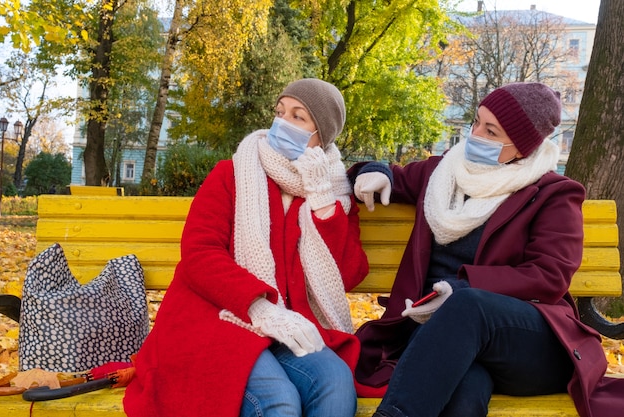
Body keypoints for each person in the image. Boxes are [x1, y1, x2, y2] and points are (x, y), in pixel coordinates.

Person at [348, 82, 624, 417]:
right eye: (476, 121)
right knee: (463, 399)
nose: (475, 134)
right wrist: (373, 173)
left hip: (527, 343)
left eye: (490, 131)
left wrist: (461, 287)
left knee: (467, 305)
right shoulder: (444, 172)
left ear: (522, 147)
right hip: (447, 342)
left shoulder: (553, 194)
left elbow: (549, 276)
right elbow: (395, 176)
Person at [123, 78, 369, 417]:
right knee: (278, 401)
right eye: (280, 111)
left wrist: (324, 203)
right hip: (218, 320)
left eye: (298, 117)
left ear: (321, 135)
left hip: (290, 328)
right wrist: (260, 308)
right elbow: (200, 253)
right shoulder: (232, 174)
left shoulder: (334, 193)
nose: (282, 122)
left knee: (336, 383)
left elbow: (348, 273)